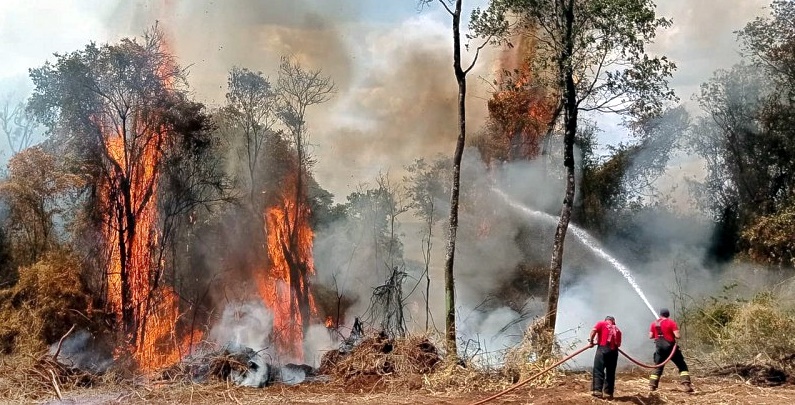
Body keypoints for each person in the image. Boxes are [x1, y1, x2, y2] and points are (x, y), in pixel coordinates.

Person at [648, 308, 693, 393]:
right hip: (671, 349)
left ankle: (652, 386)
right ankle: (686, 384)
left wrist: (659, 334)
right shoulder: (671, 323)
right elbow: (677, 336)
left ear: (660, 314)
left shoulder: (654, 323)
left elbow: (650, 336)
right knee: (682, 365)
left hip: (660, 349)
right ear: (668, 315)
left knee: (658, 367)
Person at [589, 315, 622, 399]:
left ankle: (597, 391)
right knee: (610, 372)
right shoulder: (618, 330)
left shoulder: (601, 323)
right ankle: (608, 393)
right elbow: (619, 344)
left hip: (603, 349)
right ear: (613, 321)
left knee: (598, 369)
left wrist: (591, 341)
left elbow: (593, 331)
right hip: (614, 352)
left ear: (606, 320)